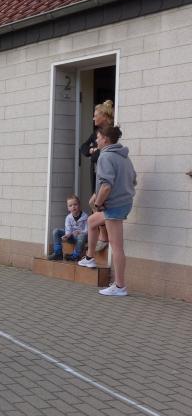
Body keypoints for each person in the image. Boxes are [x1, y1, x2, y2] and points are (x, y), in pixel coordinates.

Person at [77, 125, 137, 297]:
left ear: (105, 139)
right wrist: (97, 196)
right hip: (123, 203)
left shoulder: (105, 156)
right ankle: (90, 258)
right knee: (92, 221)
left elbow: (107, 186)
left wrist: (98, 203)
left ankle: (119, 286)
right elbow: (132, 179)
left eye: (98, 137)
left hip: (114, 206)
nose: (96, 140)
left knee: (117, 247)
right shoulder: (124, 157)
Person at [80, 100, 114, 251]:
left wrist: (95, 151)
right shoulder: (96, 133)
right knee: (95, 204)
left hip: (105, 177)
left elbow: (100, 155)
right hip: (95, 174)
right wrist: (92, 149)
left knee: (96, 204)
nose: (93, 118)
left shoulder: (111, 132)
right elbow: (83, 148)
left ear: (104, 116)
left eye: (96, 115)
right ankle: (103, 236)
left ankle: (104, 237)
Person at [48, 194, 88, 261]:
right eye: (70, 205)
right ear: (68, 208)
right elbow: (68, 230)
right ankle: (58, 253)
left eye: (75, 204)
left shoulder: (85, 217)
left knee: (82, 236)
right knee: (56, 231)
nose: (73, 207)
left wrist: (80, 232)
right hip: (71, 237)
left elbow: (88, 230)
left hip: (81, 239)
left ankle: (75, 255)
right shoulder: (68, 218)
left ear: (79, 205)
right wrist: (67, 235)